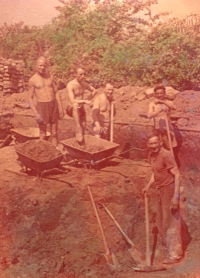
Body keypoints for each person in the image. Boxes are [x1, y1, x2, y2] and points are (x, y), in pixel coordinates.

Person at [142, 134, 183, 265]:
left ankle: (176, 254)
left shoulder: (166, 155)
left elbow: (177, 175)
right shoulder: (152, 155)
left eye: (155, 143)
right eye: (150, 143)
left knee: (171, 221)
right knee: (161, 220)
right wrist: (148, 186)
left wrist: (175, 197)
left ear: (160, 142)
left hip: (169, 189)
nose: (153, 146)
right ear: (148, 144)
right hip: (160, 190)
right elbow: (156, 173)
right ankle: (168, 248)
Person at [28, 56, 63, 147]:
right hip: (42, 106)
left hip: (53, 105)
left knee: (54, 133)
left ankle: (55, 151)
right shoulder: (32, 80)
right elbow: (30, 98)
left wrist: (61, 108)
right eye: (40, 65)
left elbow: (56, 92)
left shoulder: (50, 77)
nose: (42, 68)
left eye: (44, 65)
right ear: (36, 66)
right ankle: (42, 154)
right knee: (43, 134)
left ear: (46, 66)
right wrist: (36, 113)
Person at [66, 68, 96, 142]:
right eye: (80, 74)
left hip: (80, 107)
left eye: (84, 74)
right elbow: (72, 101)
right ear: (75, 74)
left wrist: (88, 99)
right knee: (76, 105)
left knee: (83, 127)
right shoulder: (71, 85)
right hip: (71, 108)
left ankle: (79, 145)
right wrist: (85, 101)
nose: (82, 76)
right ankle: (78, 128)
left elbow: (94, 91)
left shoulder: (84, 84)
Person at [147, 85, 177, 150]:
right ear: (155, 94)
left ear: (164, 93)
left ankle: (170, 159)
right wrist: (158, 111)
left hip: (167, 128)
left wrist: (162, 102)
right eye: (157, 93)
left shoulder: (169, 102)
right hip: (157, 129)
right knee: (157, 147)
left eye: (161, 93)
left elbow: (174, 107)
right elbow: (149, 116)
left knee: (169, 147)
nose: (159, 95)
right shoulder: (152, 104)